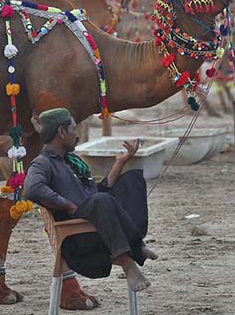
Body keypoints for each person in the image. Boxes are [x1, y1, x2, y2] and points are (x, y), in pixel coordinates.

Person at [24, 108, 157, 294]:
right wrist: (67, 204)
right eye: (73, 129)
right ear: (61, 132)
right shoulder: (43, 163)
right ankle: (129, 261)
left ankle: (136, 244)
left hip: (100, 224)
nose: (76, 135)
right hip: (79, 238)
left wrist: (120, 162)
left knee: (131, 180)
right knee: (100, 201)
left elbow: (99, 192)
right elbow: (31, 188)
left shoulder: (71, 162)